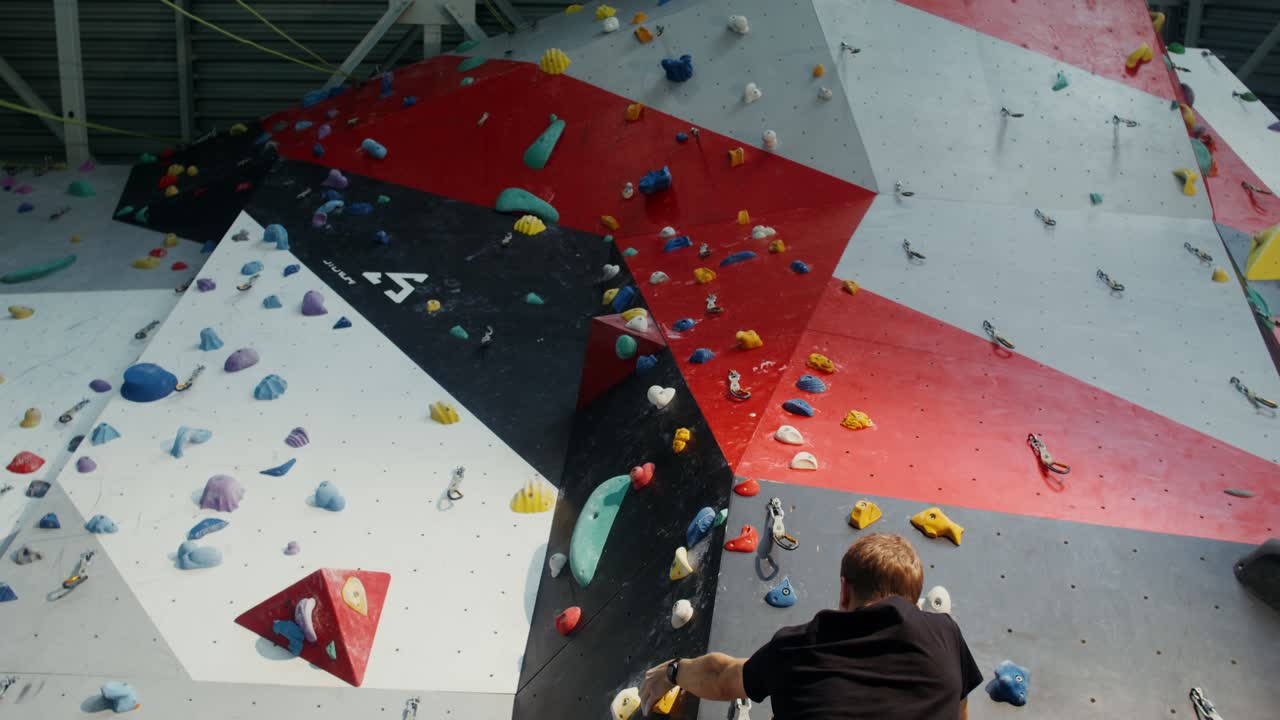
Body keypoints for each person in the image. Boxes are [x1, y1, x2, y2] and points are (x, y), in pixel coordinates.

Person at [639, 533, 983, 719]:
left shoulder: (799, 648)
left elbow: (722, 677)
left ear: (844, 591)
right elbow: (960, 709)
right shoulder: (947, 634)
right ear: (915, 599)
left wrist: (673, 672)